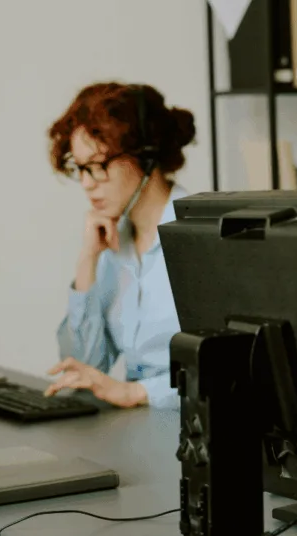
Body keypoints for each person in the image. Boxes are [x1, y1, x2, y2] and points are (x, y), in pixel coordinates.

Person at [43, 82, 195, 410]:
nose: (86, 184)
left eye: (98, 166)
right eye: (81, 169)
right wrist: (87, 261)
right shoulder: (114, 244)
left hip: (198, 436)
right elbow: (83, 367)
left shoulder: (201, 238)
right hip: (139, 430)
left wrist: (138, 392)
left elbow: (229, 370)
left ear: (146, 157)